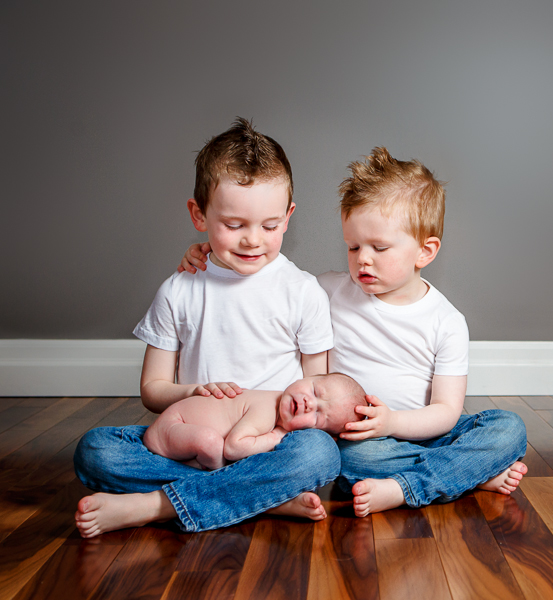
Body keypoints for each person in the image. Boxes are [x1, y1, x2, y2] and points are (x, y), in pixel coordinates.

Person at [180, 147, 528, 518]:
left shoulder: (447, 321)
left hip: (423, 429)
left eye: (379, 247)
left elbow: (445, 410)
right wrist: (210, 257)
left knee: (508, 428)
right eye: (353, 246)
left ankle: (410, 485)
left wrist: (393, 422)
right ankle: (465, 473)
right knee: (348, 461)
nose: (363, 258)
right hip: (363, 442)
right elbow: (271, 282)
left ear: (425, 251)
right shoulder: (328, 291)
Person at [73, 118, 339, 539]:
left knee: (320, 454)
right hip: (191, 447)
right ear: (199, 214)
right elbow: (153, 391)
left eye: (269, 226)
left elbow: (316, 387)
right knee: (95, 451)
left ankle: (157, 506)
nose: (253, 240)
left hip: (269, 447)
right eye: (234, 225)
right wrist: (193, 392)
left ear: (288, 218)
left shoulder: (303, 292)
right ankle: (262, 498)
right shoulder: (179, 290)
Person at [145, 373, 367, 470]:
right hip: (173, 427)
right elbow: (233, 447)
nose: (310, 403)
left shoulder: (277, 406)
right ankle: (201, 474)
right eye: (315, 390)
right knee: (212, 443)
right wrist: (276, 436)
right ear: (305, 377)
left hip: (178, 433)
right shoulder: (266, 411)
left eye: (318, 416)